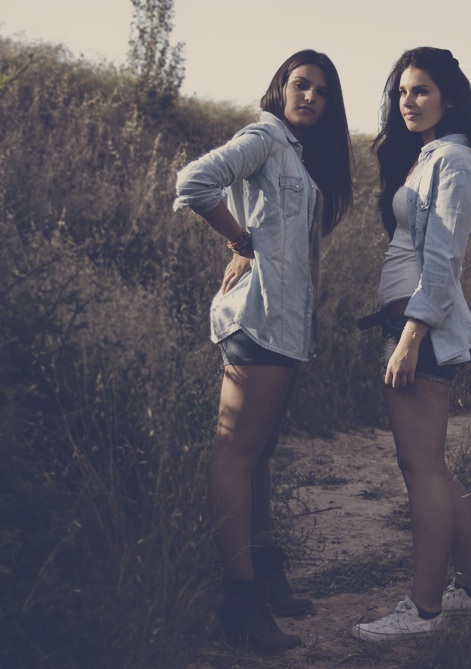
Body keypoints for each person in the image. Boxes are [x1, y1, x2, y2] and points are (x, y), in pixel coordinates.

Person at [173, 49, 352, 652]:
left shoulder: (295, 154)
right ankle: (239, 601)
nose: (310, 96)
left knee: (260, 454)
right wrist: (238, 239)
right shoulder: (265, 137)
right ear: (280, 88)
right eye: (301, 84)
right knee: (236, 455)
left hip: (285, 327)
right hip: (258, 323)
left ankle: (267, 570)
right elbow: (194, 182)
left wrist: (252, 242)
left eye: (322, 91)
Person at [351, 47, 471, 642]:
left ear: (448, 99)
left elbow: (444, 260)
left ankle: (424, 609)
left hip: (421, 332)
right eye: (402, 92)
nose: (407, 102)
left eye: (421, 91)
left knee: (421, 469)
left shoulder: (452, 160)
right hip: (411, 326)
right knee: (433, 466)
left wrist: (410, 334)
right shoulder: (427, 157)